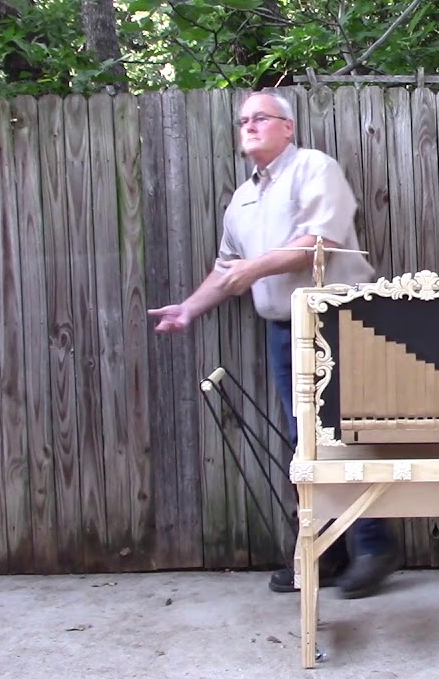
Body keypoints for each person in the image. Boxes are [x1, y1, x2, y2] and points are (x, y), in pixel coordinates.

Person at [148, 91, 398, 599]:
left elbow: (322, 242)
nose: (249, 126)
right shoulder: (242, 199)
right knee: (303, 442)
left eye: (259, 118)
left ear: (287, 126)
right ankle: (326, 552)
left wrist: (254, 268)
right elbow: (226, 268)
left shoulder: (313, 168)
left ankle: (376, 548)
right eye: (243, 121)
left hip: (339, 322)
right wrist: (190, 308)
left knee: (344, 435)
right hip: (284, 331)